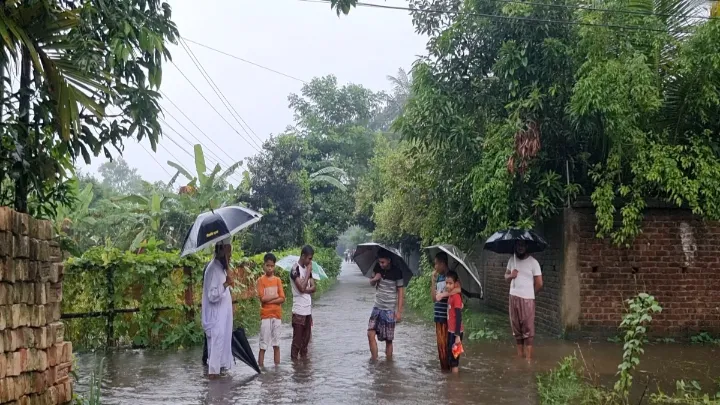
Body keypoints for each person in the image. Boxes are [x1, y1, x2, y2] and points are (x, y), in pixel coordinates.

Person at [201, 238, 234, 379]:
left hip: (221, 321)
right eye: (228, 253)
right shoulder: (213, 268)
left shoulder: (221, 268)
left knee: (219, 357)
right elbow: (212, 295)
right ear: (221, 250)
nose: (230, 256)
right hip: (215, 322)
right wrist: (226, 284)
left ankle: (220, 394)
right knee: (214, 361)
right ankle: (214, 392)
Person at [505, 240, 543, 360]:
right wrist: (511, 276)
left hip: (527, 299)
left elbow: (539, 283)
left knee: (528, 329)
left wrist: (531, 294)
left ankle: (528, 359)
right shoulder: (512, 260)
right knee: (516, 328)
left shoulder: (533, 262)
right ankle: (519, 356)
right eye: (518, 245)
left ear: (526, 246)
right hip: (513, 297)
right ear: (515, 246)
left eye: (522, 245)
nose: (520, 248)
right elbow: (505, 276)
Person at [367, 249, 405, 361]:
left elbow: (400, 292)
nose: (381, 264)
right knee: (370, 334)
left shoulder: (397, 272)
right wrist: (375, 278)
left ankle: (389, 366)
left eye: (383, 262)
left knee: (389, 340)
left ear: (389, 260)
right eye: (379, 262)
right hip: (377, 307)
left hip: (389, 309)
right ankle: (374, 361)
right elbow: (371, 283)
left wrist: (399, 312)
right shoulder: (377, 268)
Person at [431, 252, 461, 371]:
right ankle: (446, 373)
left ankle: (453, 372)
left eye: (436, 264)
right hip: (438, 316)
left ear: (443, 263)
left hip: (448, 318)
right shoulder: (438, 277)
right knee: (441, 348)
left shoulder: (451, 277)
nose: (435, 267)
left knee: (450, 347)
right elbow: (434, 299)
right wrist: (433, 282)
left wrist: (444, 294)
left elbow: (458, 289)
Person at [257, 252, 285, 367]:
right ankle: (260, 368)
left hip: (277, 315)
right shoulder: (260, 280)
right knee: (263, 344)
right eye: (267, 265)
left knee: (276, 344)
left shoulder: (278, 280)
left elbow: (282, 298)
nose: (269, 268)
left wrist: (270, 299)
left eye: (272, 266)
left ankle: (277, 369)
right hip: (265, 316)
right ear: (264, 265)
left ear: (274, 266)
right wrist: (275, 296)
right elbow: (262, 298)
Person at [290, 245, 316, 360]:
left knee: (305, 343)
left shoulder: (307, 270)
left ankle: (304, 370)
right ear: (303, 256)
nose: (311, 261)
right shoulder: (294, 269)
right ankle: (295, 368)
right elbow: (301, 287)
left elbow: (314, 288)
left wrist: (304, 289)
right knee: (297, 342)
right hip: (298, 310)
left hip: (307, 311)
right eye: (309, 259)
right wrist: (308, 272)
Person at [443, 271, 464, 373]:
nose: (447, 285)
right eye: (446, 283)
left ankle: (455, 384)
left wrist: (457, 335)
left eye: (450, 283)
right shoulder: (451, 296)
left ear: (455, 284)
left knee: (454, 360)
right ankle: (452, 384)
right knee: (451, 358)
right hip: (451, 331)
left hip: (456, 333)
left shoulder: (456, 297)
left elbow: (459, 317)